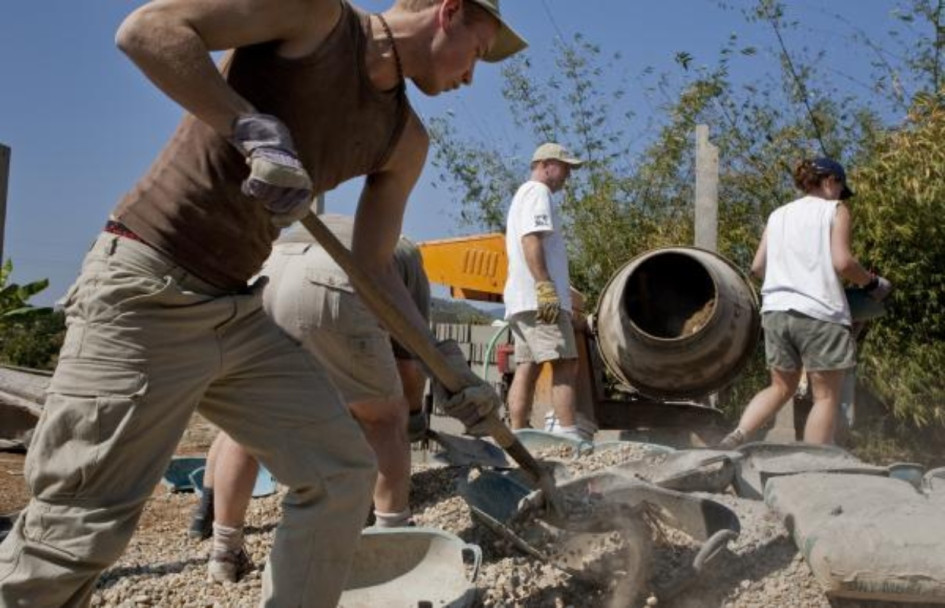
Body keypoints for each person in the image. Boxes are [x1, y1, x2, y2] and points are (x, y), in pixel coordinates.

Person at [0, 0, 525, 605]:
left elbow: (374, 269)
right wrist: (249, 127)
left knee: (339, 473)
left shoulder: (404, 140)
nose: (470, 77)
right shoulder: (316, 18)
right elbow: (146, 31)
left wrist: (446, 369)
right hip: (147, 287)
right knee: (77, 530)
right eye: (476, 53)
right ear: (448, 12)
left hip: (237, 310)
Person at [191, 215, 432, 583]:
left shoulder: (336, 227)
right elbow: (409, 362)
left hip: (268, 274)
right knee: (384, 419)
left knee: (249, 426)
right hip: (333, 279)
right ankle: (392, 542)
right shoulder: (407, 253)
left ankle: (225, 552)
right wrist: (413, 418)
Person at [718, 158, 892, 449]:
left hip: (776, 311)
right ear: (830, 181)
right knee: (825, 397)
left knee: (780, 387)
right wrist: (874, 284)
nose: (840, 195)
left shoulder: (778, 215)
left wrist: (790, 279)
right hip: (819, 313)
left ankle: (736, 436)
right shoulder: (835, 210)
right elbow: (843, 262)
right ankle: (814, 462)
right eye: (841, 188)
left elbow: (757, 267)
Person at [502, 143, 592, 442]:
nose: (568, 175)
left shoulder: (522, 195)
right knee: (566, 361)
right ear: (546, 165)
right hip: (539, 299)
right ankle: (568, 435)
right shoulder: (538, 192)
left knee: (527, 366)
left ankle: (518, 435)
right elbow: (531, 240)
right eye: (565, 167)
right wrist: (545, 286)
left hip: (522, 300)